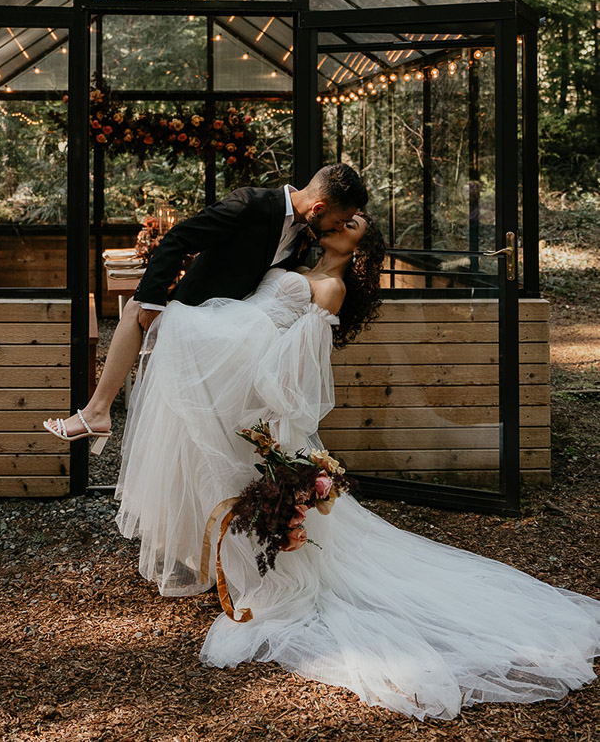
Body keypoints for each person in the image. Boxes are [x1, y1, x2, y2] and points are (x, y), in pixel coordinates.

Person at [114, 215, 600, 722]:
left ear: (360, 244)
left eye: (352, 223)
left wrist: (272, 414)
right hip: (230, 372)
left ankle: (261, 567)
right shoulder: (292, 261)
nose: (339, 223)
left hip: (258, 394)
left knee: (247, 479)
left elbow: (300, 367)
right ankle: (227, 559)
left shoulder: (331, 288)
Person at [44, 163, 369, 448]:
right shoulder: (251, 204)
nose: (339, 227)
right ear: (318, 207)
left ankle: (96, 412)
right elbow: (178, 238)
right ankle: (97, 411)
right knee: (136, 307)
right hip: (202, 313)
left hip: (236, 334)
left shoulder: (304, 235)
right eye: (339, 220)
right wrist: (154, 299)